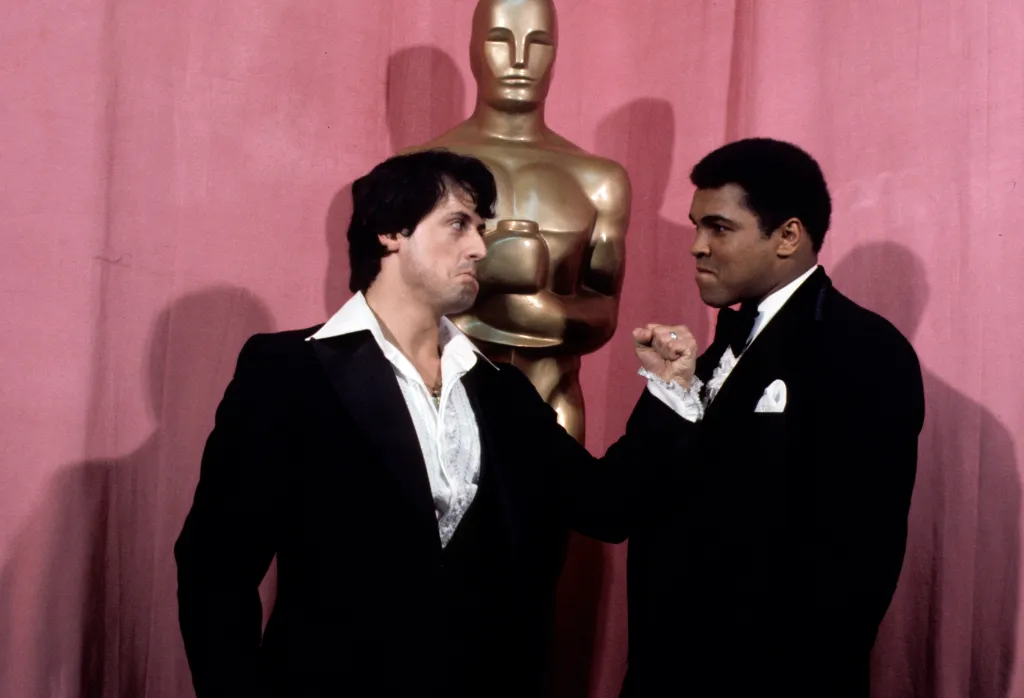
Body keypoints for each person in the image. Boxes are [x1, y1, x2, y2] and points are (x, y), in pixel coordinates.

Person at [173, 149, 696, 698]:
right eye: (458, 224)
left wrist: (669, 392)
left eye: (481, 228)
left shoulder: (501, 391)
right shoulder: (288, 372)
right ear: (390, 233)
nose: (479, 246)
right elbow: (216, 567)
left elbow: (607, 505)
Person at [620, 138, 926, 697]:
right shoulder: (709, 356)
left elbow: (854, 567)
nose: (696, 247)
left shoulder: (866, 351)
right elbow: (625, 500)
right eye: (695, 227)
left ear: (788, 235)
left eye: (718, 227)